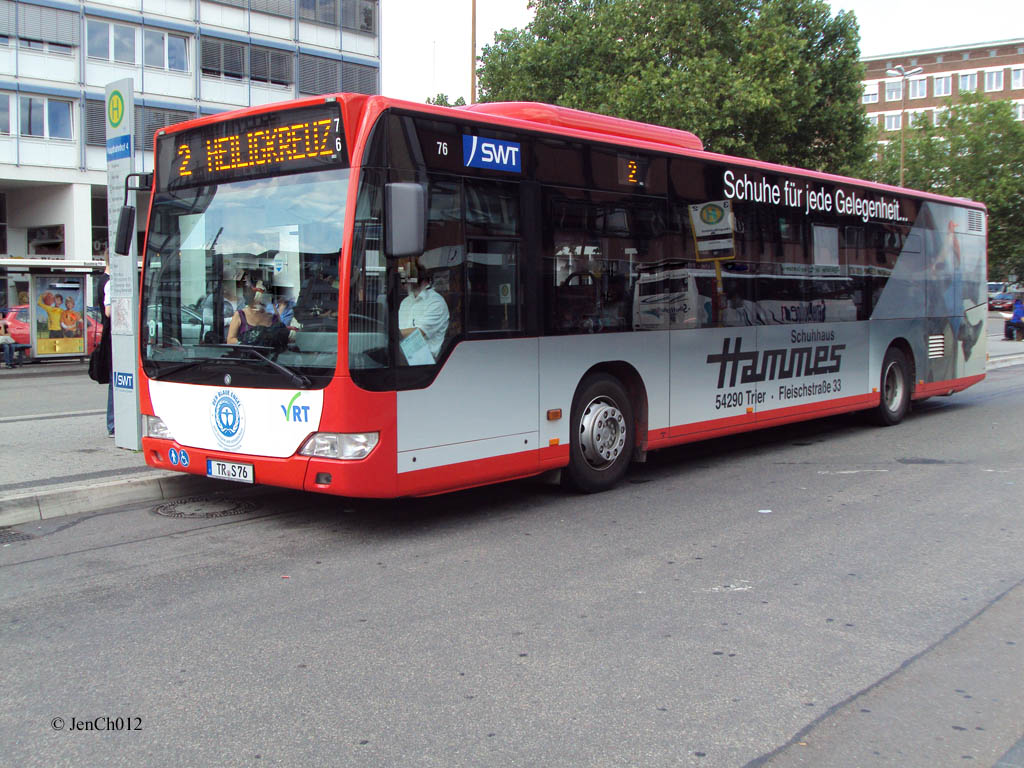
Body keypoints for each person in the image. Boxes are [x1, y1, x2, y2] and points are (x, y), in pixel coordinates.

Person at [398, 258, 449, 364]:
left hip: (426, 360)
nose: (404, 282)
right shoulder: (406, 302)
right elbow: (401, 329)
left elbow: (419, 333)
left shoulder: (436, 302)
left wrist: (392, 334)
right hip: (404, 354)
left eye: (407, 277)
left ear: (420, 277)